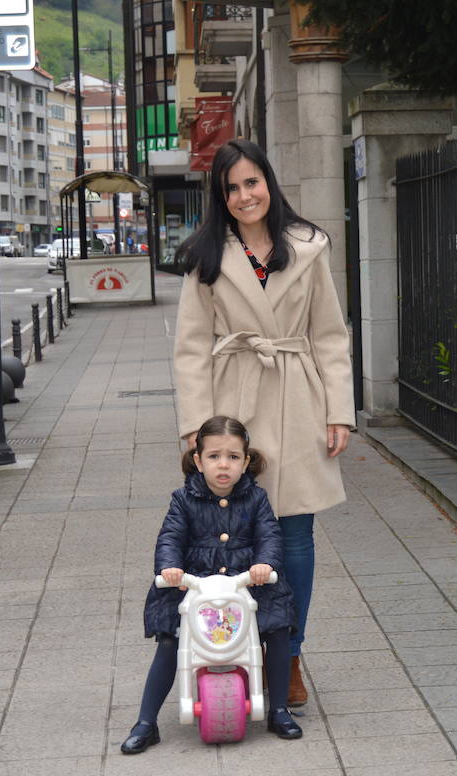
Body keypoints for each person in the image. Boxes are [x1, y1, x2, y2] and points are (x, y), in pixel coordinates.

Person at [171, 138, 355, 711]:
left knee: (295, 536)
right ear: (221, 198)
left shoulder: (308, 248)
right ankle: (234, 651)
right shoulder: (206, 256)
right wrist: (196, 430)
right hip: (233, 407)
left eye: (252, 182)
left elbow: (330, 333)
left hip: (298, 396)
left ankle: (289, 657)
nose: (244, 195)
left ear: (268, 183)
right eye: (232, 187)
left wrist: (338, 410)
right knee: (230, 538)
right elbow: (190, 348)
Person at [121, 415, 303, 754]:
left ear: (246, 462)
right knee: (170, 639)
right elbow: (170, 537)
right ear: (198, 460)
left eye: (233, 457)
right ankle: (146, 721)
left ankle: (278, 709)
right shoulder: (183, 499)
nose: (224, 465)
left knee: (277, 628)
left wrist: (266, 564)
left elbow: (269, 536)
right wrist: (170, 568)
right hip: (194, 584)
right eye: (214, 456)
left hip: (248, 583)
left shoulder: (256, 498)